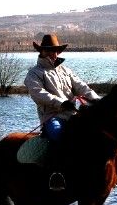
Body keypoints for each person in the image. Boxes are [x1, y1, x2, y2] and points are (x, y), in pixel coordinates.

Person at [24, 34, 101, 190]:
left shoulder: (66, 71)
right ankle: (56, 174)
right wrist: (61, 103)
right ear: (42, 51)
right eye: (51, 50)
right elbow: (38, 93)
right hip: (52, 117)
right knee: (59, 134)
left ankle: (100, 172)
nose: (54, 53)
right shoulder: (34, 73)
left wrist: (98, 101)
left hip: (73, 115)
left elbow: (82, 87)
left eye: (56, 50)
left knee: (97, 132)